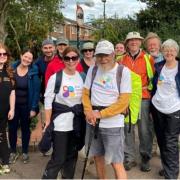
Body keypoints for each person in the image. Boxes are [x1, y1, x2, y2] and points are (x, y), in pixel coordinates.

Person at [82, 40, 131, 179]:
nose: (103, 59)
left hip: (113, 125)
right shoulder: (93, 69)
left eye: (106, 55)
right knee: (98, 157)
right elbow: (85, 94)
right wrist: (88, 111)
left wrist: (100, 114)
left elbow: (123, 102)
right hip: (93, 122)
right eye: (99, 56)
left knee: (116, 162)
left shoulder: (123, 72)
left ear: (113, 54)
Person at [42, 46, 86, 179]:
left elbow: (87, 99)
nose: (71, 61)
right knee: (58, 158)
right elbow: (48, 100)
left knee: (72, 158)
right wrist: (48, 121)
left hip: (77, 123)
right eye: (67, 58)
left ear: (78, 59)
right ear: (63, 59)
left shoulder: (83, 77)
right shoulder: (56, 78)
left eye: (74, 58)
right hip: (60, 124)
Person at [121, 32, 154, 172]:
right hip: (127, 99)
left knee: (144, 130)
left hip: (143, 98)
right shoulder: (121, 59)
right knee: (128, 128)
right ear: (127, 43)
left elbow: (153, 79)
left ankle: (145, 158)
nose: (133, 42)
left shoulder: (148, 58)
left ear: (140, 42)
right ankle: (129, 158)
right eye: (131, 40)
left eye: (136, 40)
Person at [151, 39, 180, 179]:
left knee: (170, 142)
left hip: (174, 110)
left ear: (176, 52)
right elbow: (155, 85)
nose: (169, 52)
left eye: (172, 50)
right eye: (166, 50)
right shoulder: (159, 66)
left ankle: (171, 175)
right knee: (162, 140)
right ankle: (168, 167)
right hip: (157, 108)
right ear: (162, 52)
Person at [8, 48, 40, 164]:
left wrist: (33, 108)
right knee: (12, 129)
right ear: (21, 56)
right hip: (13, 106)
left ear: (32, 61)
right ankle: (12, 151)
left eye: (30, 58)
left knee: (26, 129)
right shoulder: (11, 69)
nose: (27, 59)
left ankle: (25, 152)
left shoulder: (33, 72)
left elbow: (36, 92)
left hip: (26, 106)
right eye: (25, 56)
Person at [144, 32, 163, 156]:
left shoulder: (166, 57)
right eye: (150, 45)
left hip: (162, 96)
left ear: (159, 46)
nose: (152, 47)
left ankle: (160, 148)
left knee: (162, 124)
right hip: (148, 95)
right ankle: (151, 148)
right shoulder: (145, 58)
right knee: (150, 124)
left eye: (154, 44)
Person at [0, 43, 15, 174]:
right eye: (0, 54)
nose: (2, 56)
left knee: (2, 135)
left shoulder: (10, 72)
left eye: (5, 54)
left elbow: (12, 93)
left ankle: (5, 162)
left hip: (4, 112)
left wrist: (12, 109)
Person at [35, 39, 56, 104]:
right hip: (45, 94)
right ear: (42, 49)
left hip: (58, 95)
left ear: (54, 48)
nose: (48, 50)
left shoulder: (59, 60)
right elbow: (36, 79)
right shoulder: (39, 62)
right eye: (45, 48)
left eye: (50, 47)